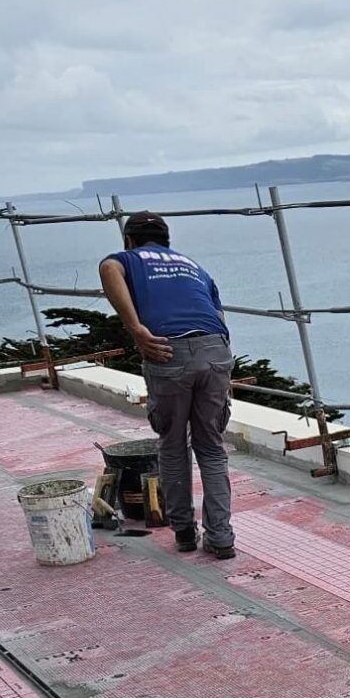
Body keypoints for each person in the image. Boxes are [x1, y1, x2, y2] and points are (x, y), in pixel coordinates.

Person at [99, 211, 236, 558]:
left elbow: (108, 269)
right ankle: (221, 538)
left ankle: (184, 533)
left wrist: (136, 329)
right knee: (211, 448)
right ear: (166, 240)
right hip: (216, 351)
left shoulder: (127, 258)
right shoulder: (192, 265)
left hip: (167, 351)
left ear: (129, 240)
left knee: (173, 446)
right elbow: (219, 317)